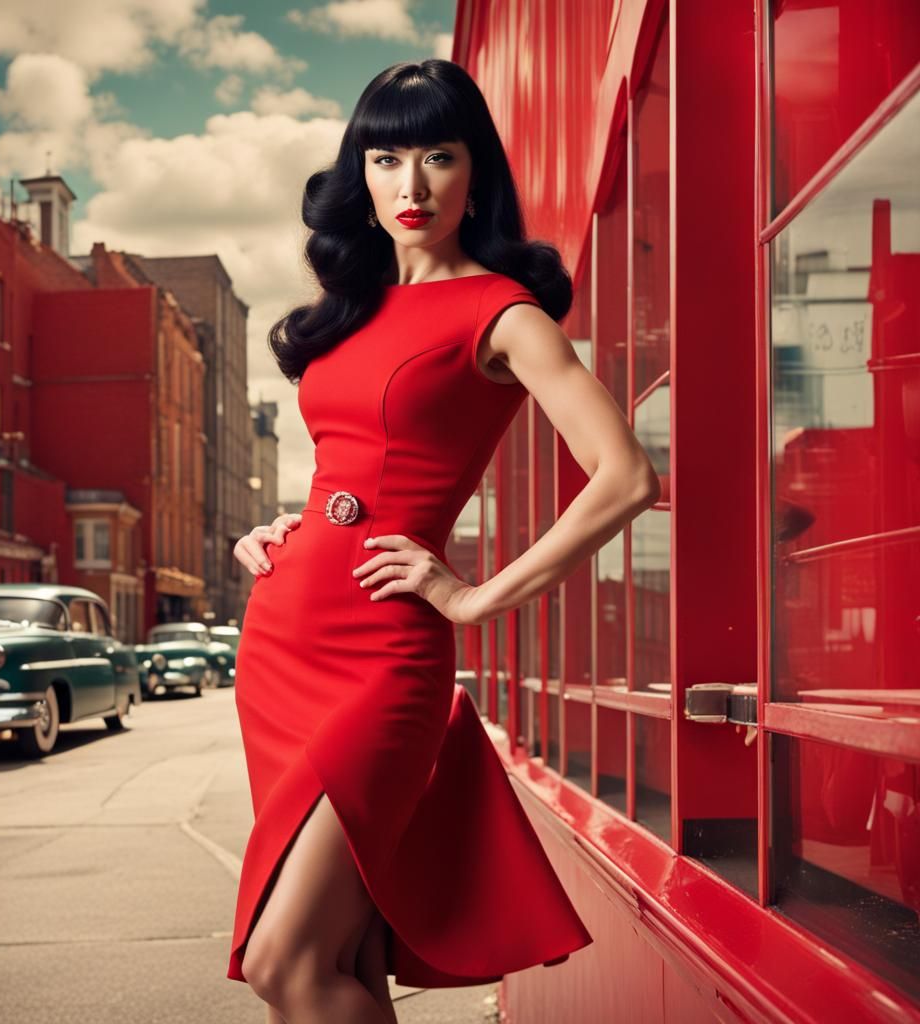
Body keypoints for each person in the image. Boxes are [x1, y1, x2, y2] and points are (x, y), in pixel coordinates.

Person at [227, 58, 660, 1023]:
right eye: (386, 159)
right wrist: (281, 531)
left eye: (437, 156)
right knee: (342, 953)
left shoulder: (503, 313)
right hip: (281, 644)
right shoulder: (347, 311)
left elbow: (629, 478)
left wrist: (472, 596)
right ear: (361, 174)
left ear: (476, 173)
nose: (410, 185)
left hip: (385, 655)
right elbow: (351, 474)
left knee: (282, 962)